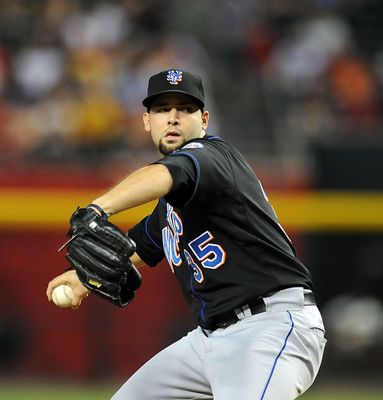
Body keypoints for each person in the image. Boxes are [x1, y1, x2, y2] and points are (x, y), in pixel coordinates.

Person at [46, 69, 326, 400]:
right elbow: (133, 246)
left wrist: (98, 207)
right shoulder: (170, 207)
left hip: (269, 328)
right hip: (207, 340)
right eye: (162, 109)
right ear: (147, 121)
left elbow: (168, 173)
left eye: (186, 109)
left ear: (204, 119)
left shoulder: (212, 156)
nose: (174, 118)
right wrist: (81, 278)